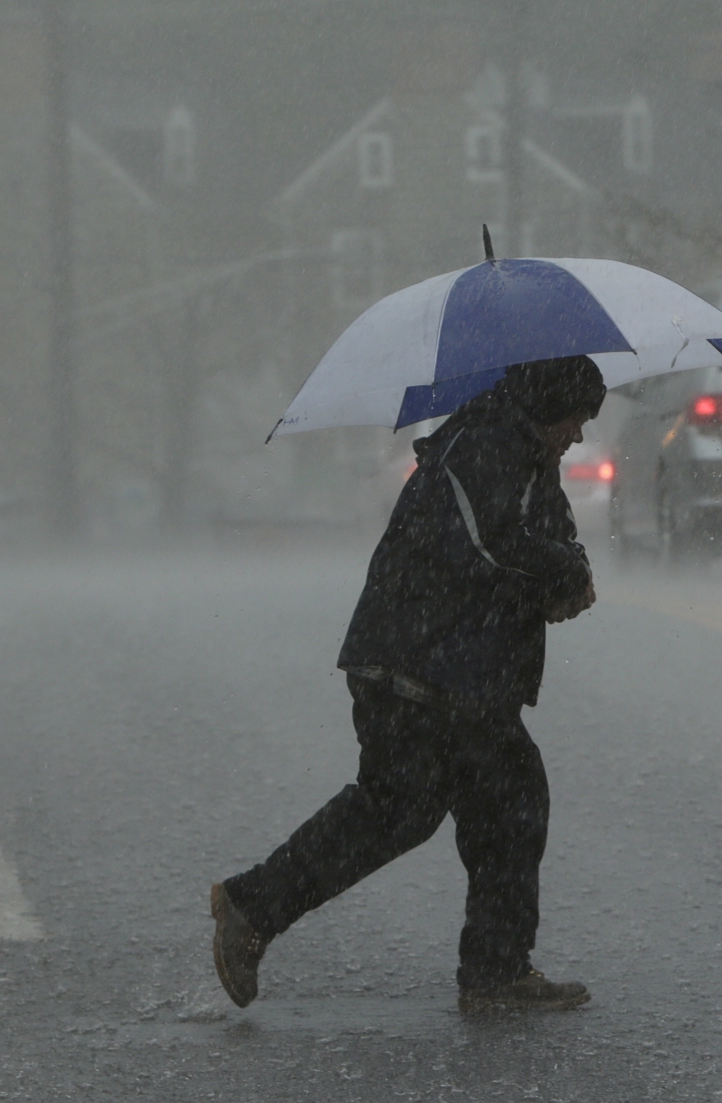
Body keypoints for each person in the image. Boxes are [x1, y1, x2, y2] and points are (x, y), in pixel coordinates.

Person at [211, 354, 606, 1013]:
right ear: (550, 405)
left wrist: (570, 575)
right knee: (424, 806)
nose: (580, 434)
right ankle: (253, 905)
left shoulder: (521, 450)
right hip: (418, 666)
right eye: (576, 418)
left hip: (453, 672)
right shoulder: (484, 441)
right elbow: (493, 542)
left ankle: (493, 973)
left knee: (490, 804)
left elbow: (548, 537)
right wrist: (558, 575)